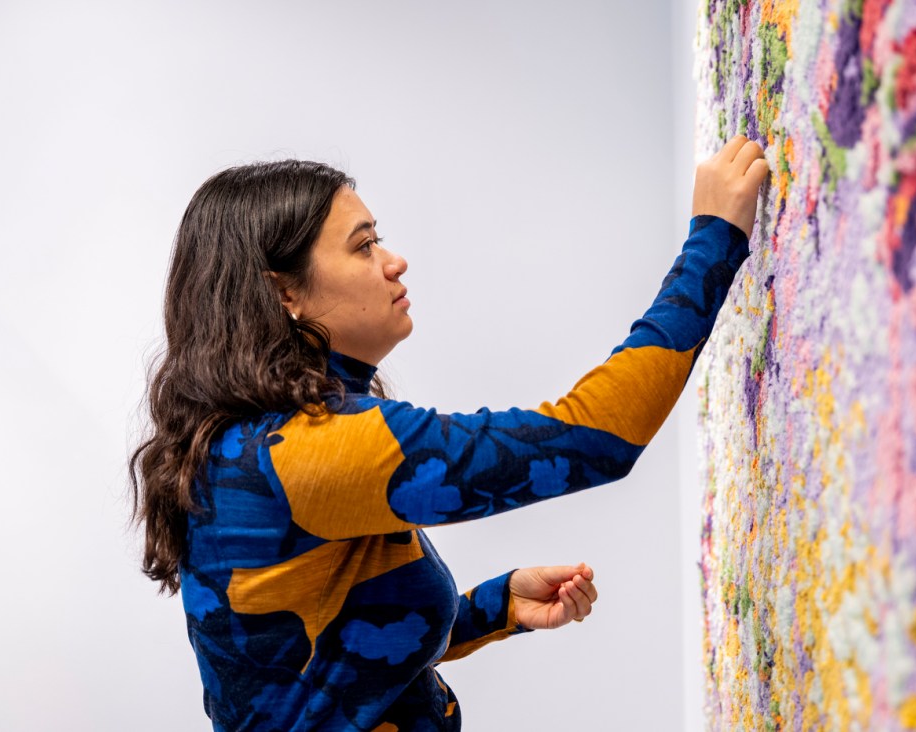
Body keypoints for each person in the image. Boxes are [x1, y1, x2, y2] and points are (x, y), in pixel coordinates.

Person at [131, 134, 769, 731]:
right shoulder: (302, 448)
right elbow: (595, 438)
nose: (394, 260)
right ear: (284, 295)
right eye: (363, 246)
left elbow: (326, 656)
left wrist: (497, 608)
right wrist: (714, 238)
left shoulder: (250, 444)